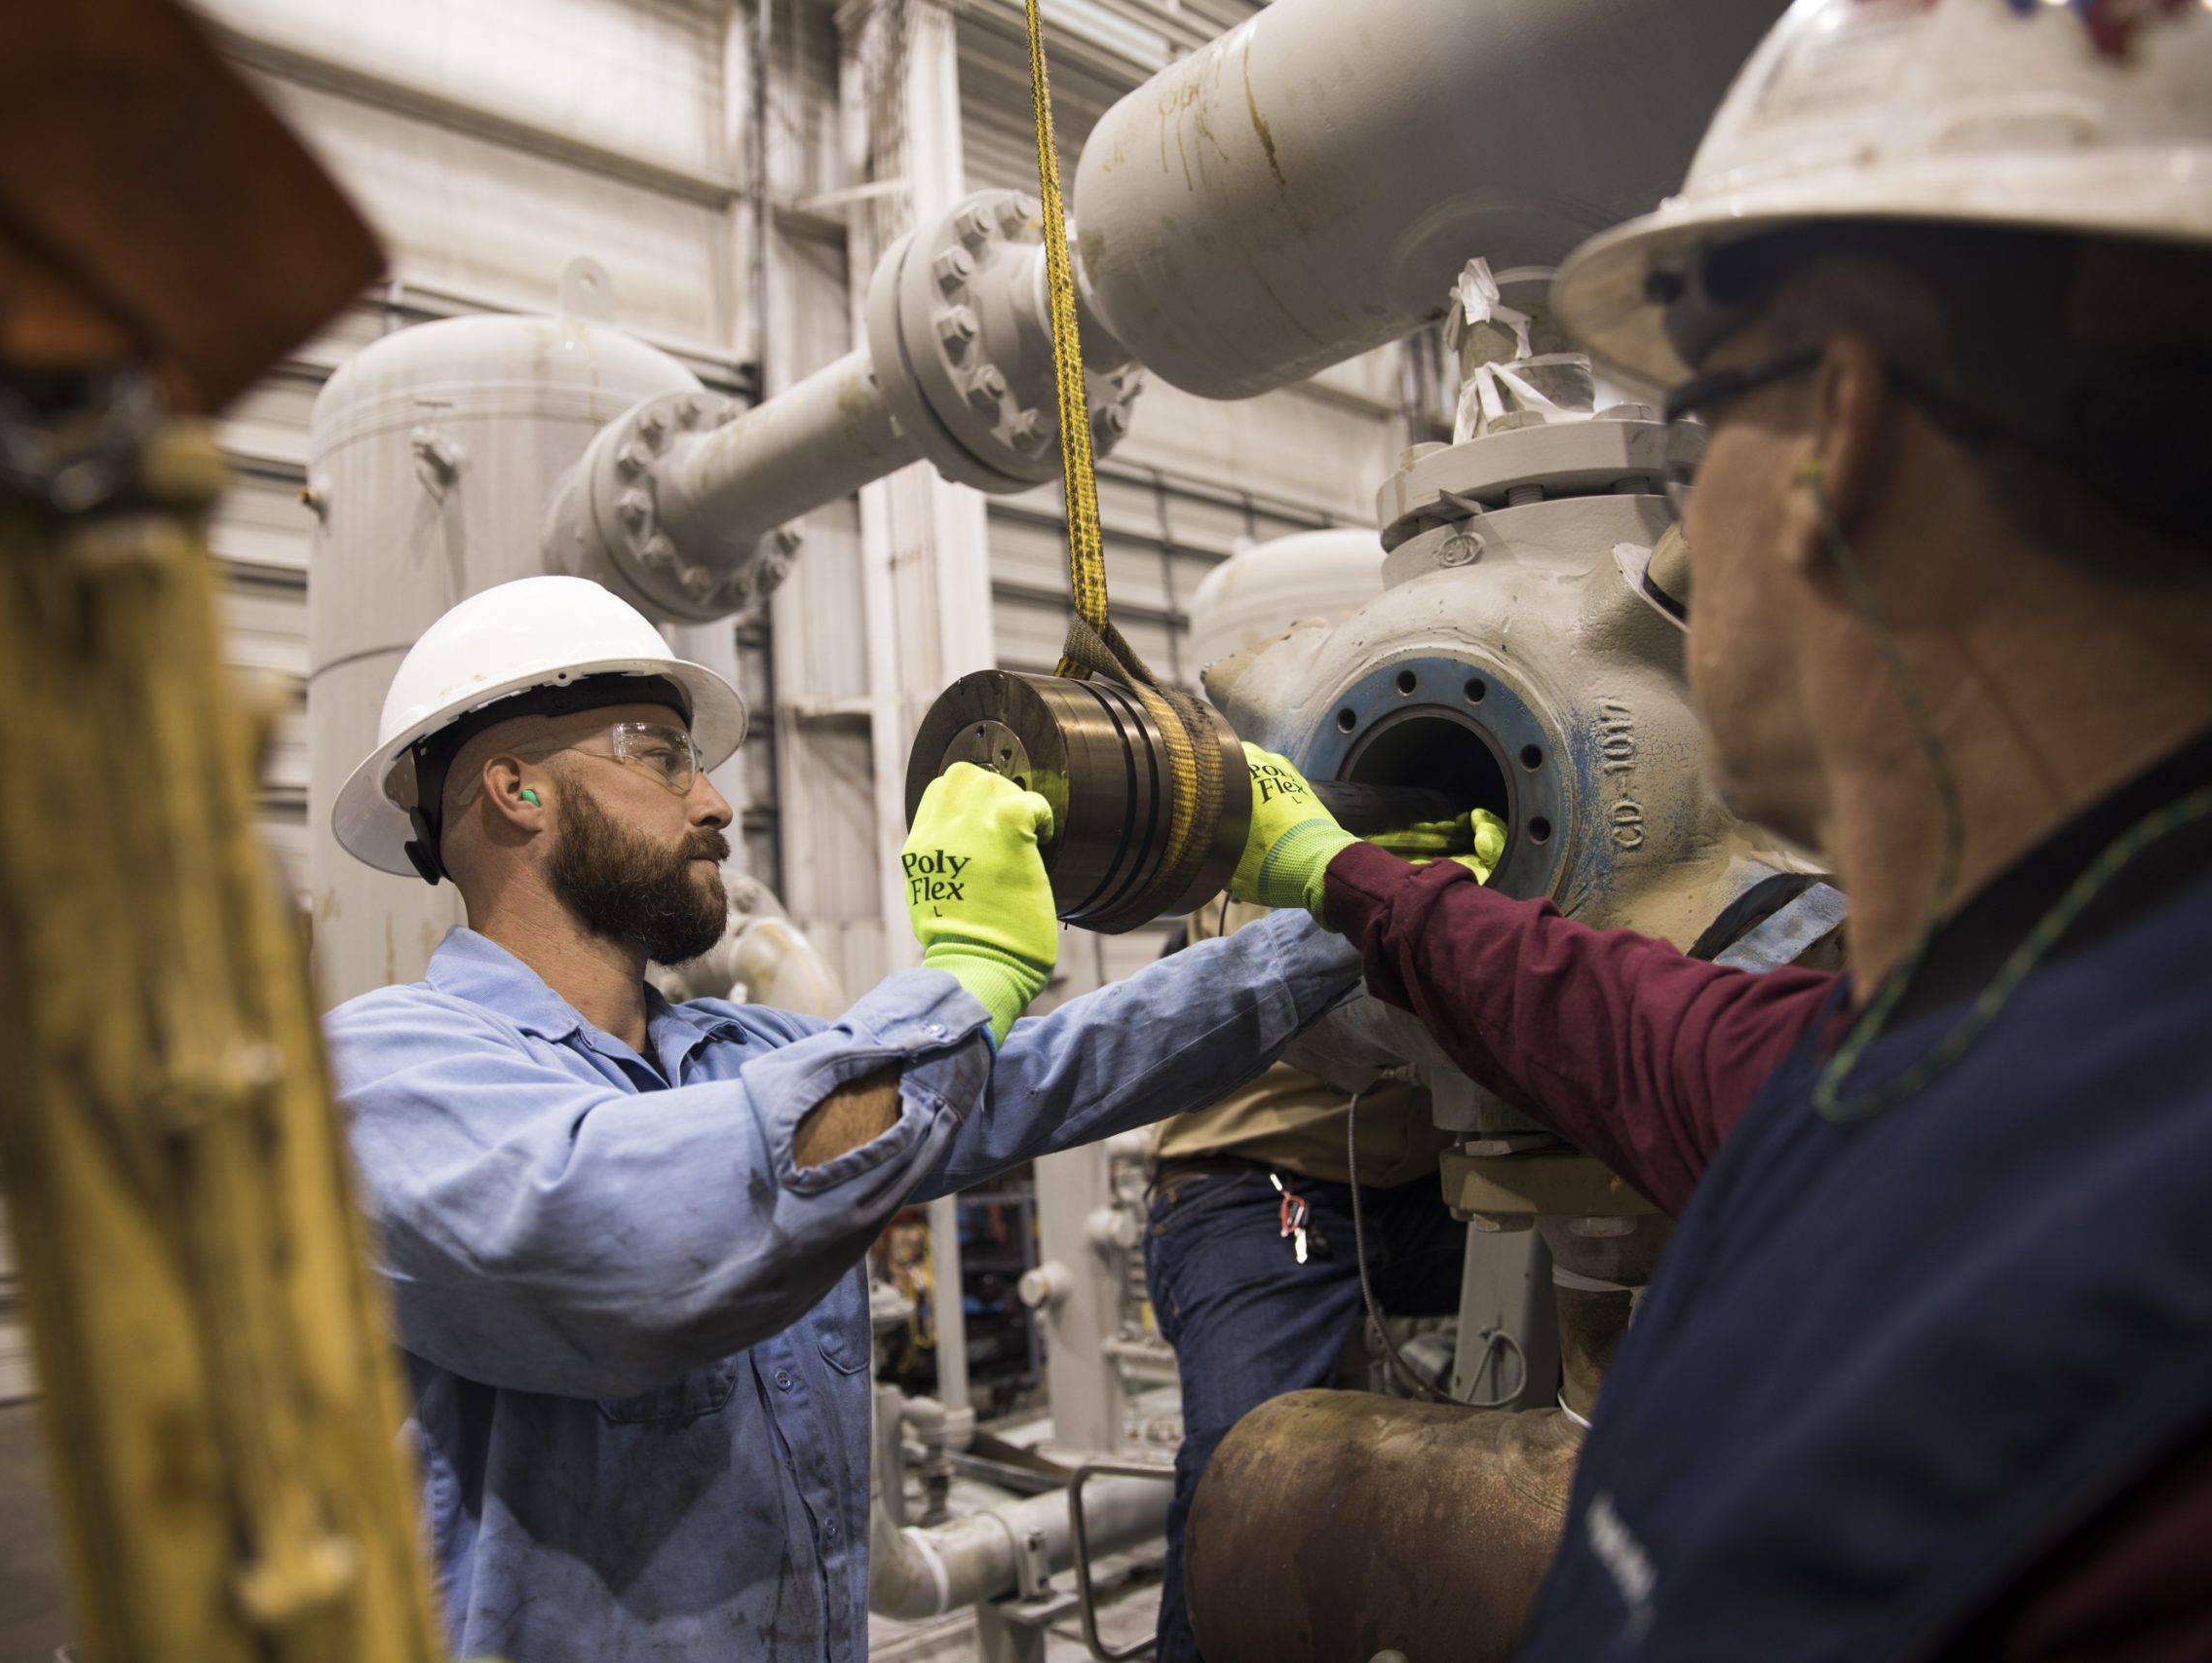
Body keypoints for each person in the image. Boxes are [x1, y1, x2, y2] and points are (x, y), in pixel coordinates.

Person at [1210, 3, 2212, 1656]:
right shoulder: (1936, 1036)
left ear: (1837, 443)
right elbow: (1635, 1024)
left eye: (1698, 421)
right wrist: (1352, 879)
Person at [319, 574, 1365, 1663]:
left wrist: (1352, 905)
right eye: (662, 755)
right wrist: (964, 974)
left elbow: (1057, 1066)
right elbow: (620, 1234)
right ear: (513, 790)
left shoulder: (737, 1056)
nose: (716, 804)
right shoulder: (382, 1072)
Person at [1141, 898, 1464, 1663]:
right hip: (1258, 1184)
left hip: (1428, 1184)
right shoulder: (1283, 806)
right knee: (1244, 1462)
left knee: (1622, 1267)